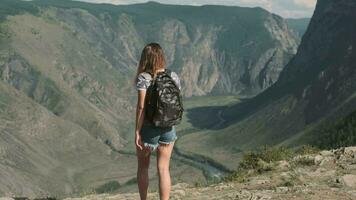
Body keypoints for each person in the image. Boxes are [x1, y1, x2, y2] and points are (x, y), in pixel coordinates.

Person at [134, 42, 181, 200]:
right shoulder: (172, 75)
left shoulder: (144, 78)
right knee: (163, 168)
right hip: (169, 127)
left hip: (149, 128)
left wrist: (137, 132)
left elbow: (141, 107)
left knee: (143, 168)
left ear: (145, 59)